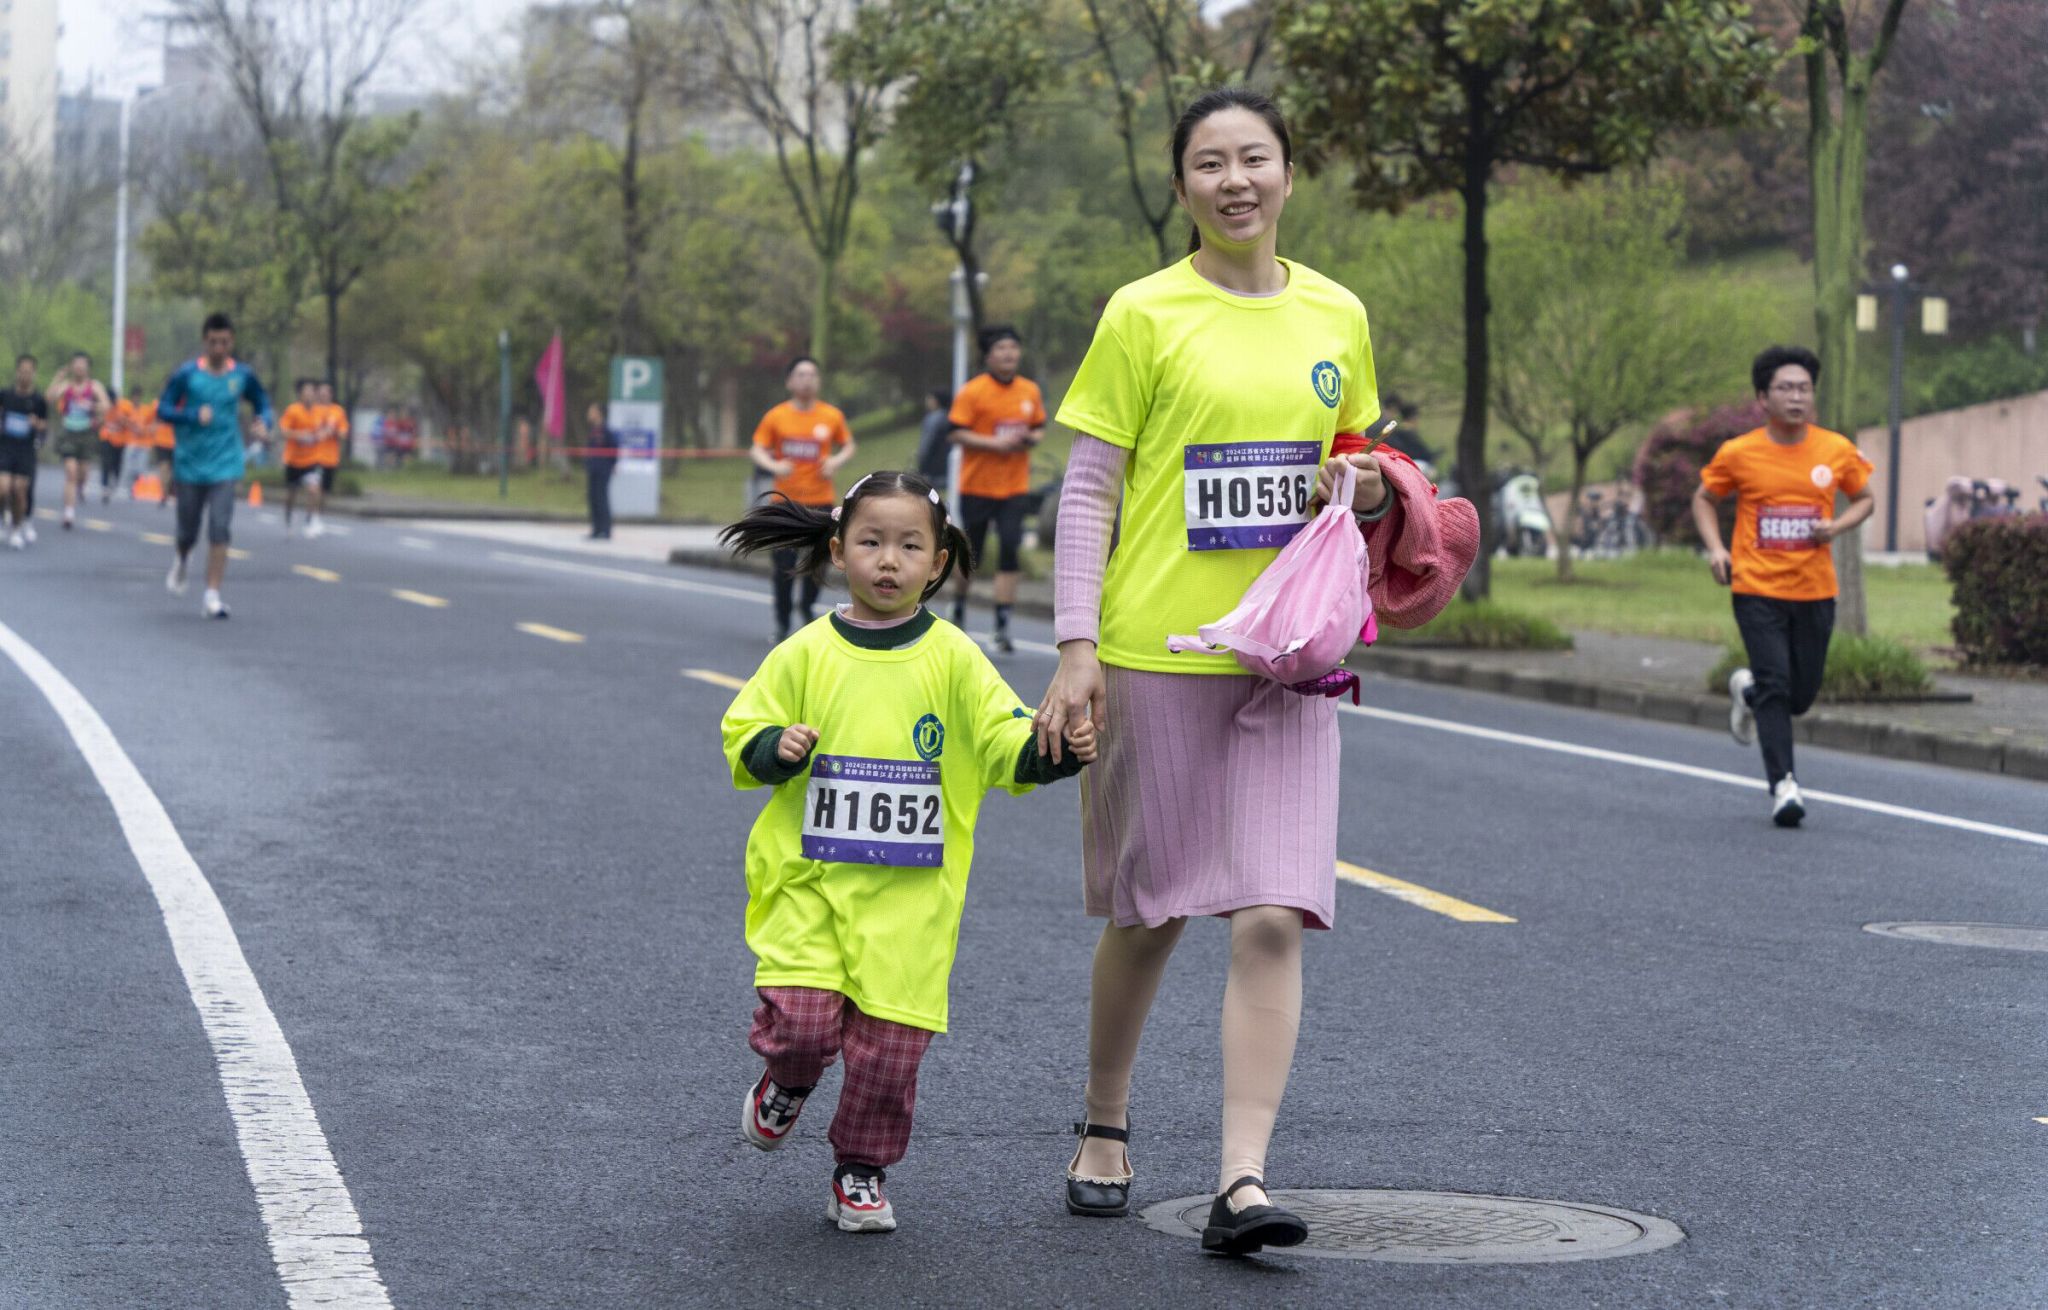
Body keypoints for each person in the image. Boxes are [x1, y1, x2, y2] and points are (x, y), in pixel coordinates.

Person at [1035, 87, 1475, 1257]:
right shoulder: (1142, 312)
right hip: (1154, 655)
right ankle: (1103, 1118)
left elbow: (1353, 455)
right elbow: (1088, 491)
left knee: (1273, 912)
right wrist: (1075, 647)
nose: (1234, 181)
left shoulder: (1336, 312)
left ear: (1288, 171)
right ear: (1180, 184)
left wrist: (1369, 484)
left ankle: (1240, 1177)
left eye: (1254, 159)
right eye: (1209, 163)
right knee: (1149, 914)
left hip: (1290, 659)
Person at [717, 470, 1096, 1234]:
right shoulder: (806, 652)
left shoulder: (954, 657)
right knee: (802, 1026)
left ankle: (860, 1170)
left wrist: (1052, 751)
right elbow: (743, 729)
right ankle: (786, 1081)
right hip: (810, 884)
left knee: (889, 1056)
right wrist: (775, 747)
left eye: (909, 546)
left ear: (938, 563)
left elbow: (1000, 737)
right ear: (838, 551)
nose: (888, 560)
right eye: (870, 542)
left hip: (911, 908)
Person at [1694, 345, 1875, 827]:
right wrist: (1716, 549)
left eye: (1804, 389)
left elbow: (1865, 499)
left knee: (1799, 696)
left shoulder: (1835, 449)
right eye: (1785, 388)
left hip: (1815, 590)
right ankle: (1784, 785)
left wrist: (1836, 527)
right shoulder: (1739, 453)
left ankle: (1747, 691)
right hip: (1756, 587)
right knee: (1777, 683)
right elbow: (1704, 498)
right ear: (1763, 397)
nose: (1796, 397)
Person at [158, 312, 275, 619]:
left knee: (220, 527)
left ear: (231, 342)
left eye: (224, 342)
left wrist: (264, 421)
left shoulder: (242, 376)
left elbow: (262, 401)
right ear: (204, 342)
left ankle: (212, 596)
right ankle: (182, 559)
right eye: (213, 342)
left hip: (226, 462)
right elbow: (163, 409)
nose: (219, 348)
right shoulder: (187, 374)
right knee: (188, 531)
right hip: (190, 463)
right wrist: (192, 415)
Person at [946, 328, 1045, 653]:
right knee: (971, 554)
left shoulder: (1029, 390)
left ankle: (1002, 626)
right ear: (988, 356)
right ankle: (958, 606)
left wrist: (1030, 439)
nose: (1008, 354)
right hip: (977, 486)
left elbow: (1039, 427)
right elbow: (955, 433)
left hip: (1015, 487)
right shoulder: (973, 391)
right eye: (1001, 348)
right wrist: (995, 444)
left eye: (1013, 347)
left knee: (1009, 550)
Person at [750, 356, 857, 640]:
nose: (807, 380)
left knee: (820, 560)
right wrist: (774, 466)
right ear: (789, 381)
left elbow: (849, 446)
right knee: (784, 566)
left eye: (812, 375)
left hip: (820, 501)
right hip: (785, 503)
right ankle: (782, 622)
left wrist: (835, 461)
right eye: (801, 374)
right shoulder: (776, 416)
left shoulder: (831, 416)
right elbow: (756, 449)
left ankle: (807, 605)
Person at [46, 352, 109, 529]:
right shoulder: (66, 386)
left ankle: (81, 487)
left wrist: (92, 406)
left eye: (83, 364)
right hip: (68, 432)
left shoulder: (94, 386)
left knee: (82, 473)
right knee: (71, 472)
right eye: (76, 364)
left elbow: (106, 406)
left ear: (88, 368)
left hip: (87, 433)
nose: (79, 367)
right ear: (72, 366)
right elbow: (49, 398)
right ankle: (69, 512)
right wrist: (58, 378)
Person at [2, 354, 48, 550]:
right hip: (5, 447)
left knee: (20, 490)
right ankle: (2, 517)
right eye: (22, 371)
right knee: (3, 487)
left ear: (34, 373)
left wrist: (36, 424)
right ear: (17, 372)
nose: (25, 375)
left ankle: (16, 528)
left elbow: (44, 425)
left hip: (25, 451)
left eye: (28, 372)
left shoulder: (38, 400)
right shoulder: (5, 395)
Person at [278, 379, 324, 533]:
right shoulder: (293, 411)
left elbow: (322, 430)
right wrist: (300, 435)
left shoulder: (318, 411)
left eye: (312, 391)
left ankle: (310, 518)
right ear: (300, 394)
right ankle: (288, 514)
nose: (310, 394)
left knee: (314, 489)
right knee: (292, 493)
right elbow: (284, 432)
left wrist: (320, 435)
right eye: (307, 391)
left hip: (312, 459)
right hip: (294, 460)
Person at [583, 402, 616, 539]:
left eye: (592, 411)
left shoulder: (606, 431)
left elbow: (613, 448)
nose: (589, 414)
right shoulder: (593, 431)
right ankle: (596, 529)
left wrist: (612, 464)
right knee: (593, 499)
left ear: (599, 413)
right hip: (593, 468)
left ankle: (605, 530)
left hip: (603, 469)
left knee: (602, 499)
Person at [98, 387, 135, 503]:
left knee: (117, 463)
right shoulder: (102, 407)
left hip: (120, 440)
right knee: (106, 462)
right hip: (107, 438)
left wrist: (123, 420)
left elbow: (132, 422)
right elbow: (98, 421)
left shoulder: (125, 406)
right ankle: (105, 486)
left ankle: (115, 482)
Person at [914, 387, 953, 491]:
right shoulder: (950, 415)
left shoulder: (933, 419)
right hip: (948, 466)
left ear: (936, 400)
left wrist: (921, 464)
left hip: (933, 468)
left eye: (930, 398)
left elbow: (926, 445)